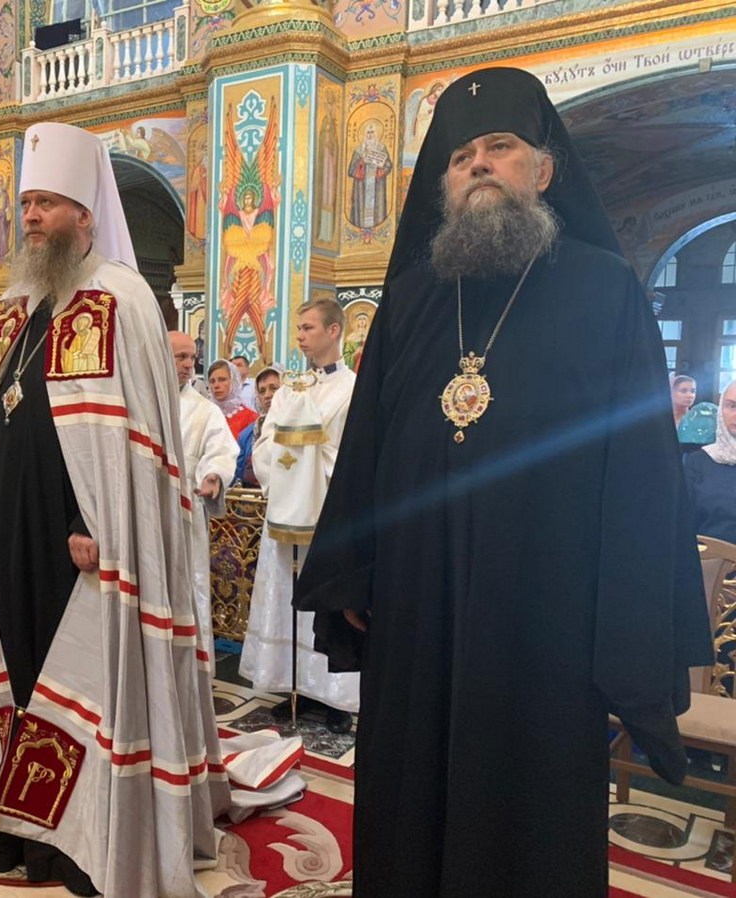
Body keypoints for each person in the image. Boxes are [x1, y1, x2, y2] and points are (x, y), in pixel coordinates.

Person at [296, 68, 711, 898]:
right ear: (444, 185)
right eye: (460, 157)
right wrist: (356, 567)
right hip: (417, 603)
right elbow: (367, 445)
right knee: (410, 801)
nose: (479, 163)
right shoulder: (411, 300)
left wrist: (623, 621)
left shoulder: (605, 289)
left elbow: (639, 472)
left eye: (500, 147)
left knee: (526, 817)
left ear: (543, 170)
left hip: (546, 618)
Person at [0, 122, 230, 898]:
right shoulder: (12, 307)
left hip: (80, 541)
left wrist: (96, 525)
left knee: (83, 683)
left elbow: (132, 443)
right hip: (2, 529)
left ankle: (83, 835)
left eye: (46, 204)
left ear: (84, 214)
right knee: (17, 676)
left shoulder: (122, 299)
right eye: (26, 204)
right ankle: (20, 820)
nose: (30, 218)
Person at [240, 298, 357, 730]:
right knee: (288, 597)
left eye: (308, 328)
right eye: (299, 328)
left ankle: (335, 695)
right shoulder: (291, 388)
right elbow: (266, 442)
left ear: (333, 330)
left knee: (327, 597)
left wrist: (314, 469)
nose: (300, 336)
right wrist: (287, 480)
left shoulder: (355, 387)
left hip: (329, 512)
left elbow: (353, 450)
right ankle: (293, 685)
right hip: (286, 511)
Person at [170, 330, 238, 674]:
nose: (188, 365)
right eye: (180, 357)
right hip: (141, 511)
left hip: (184, 510)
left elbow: (222, 450)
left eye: (191, 358)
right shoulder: (136, 401)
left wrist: (214, 476)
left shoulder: (204, 410)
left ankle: (189, 674)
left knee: (186, 589)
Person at [685, 380, 736, 544]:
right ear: (721, 410)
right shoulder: (698, 463)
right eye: (732, 406)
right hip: (711, 557)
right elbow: (682, 522)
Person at [235, 365, 281, 488]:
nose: (267, 395)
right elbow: (239, 476)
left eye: (274, 388)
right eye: (262, 391)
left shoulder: (297, 429)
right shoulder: (247, 435)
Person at [208, 358, 257, 439]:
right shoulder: (205, 414)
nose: (216, 385)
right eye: (212, 381)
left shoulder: (250, 417)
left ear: (233, 382)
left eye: (222, 380)